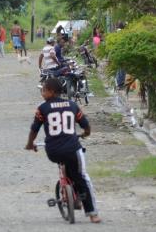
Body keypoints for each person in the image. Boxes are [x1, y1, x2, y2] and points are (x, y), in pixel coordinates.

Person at [25, 78, 101, 224]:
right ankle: (92, 213)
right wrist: (85, 134)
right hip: (73, 149)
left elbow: (34, 129)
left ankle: (68, 190)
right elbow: (85, 125)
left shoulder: (42, 108)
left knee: (65, 164)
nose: (42, 93)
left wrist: (30, 144)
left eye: (44, 90)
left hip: (52, 151)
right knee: (82, 178)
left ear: (52, 91)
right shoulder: (72, 105)